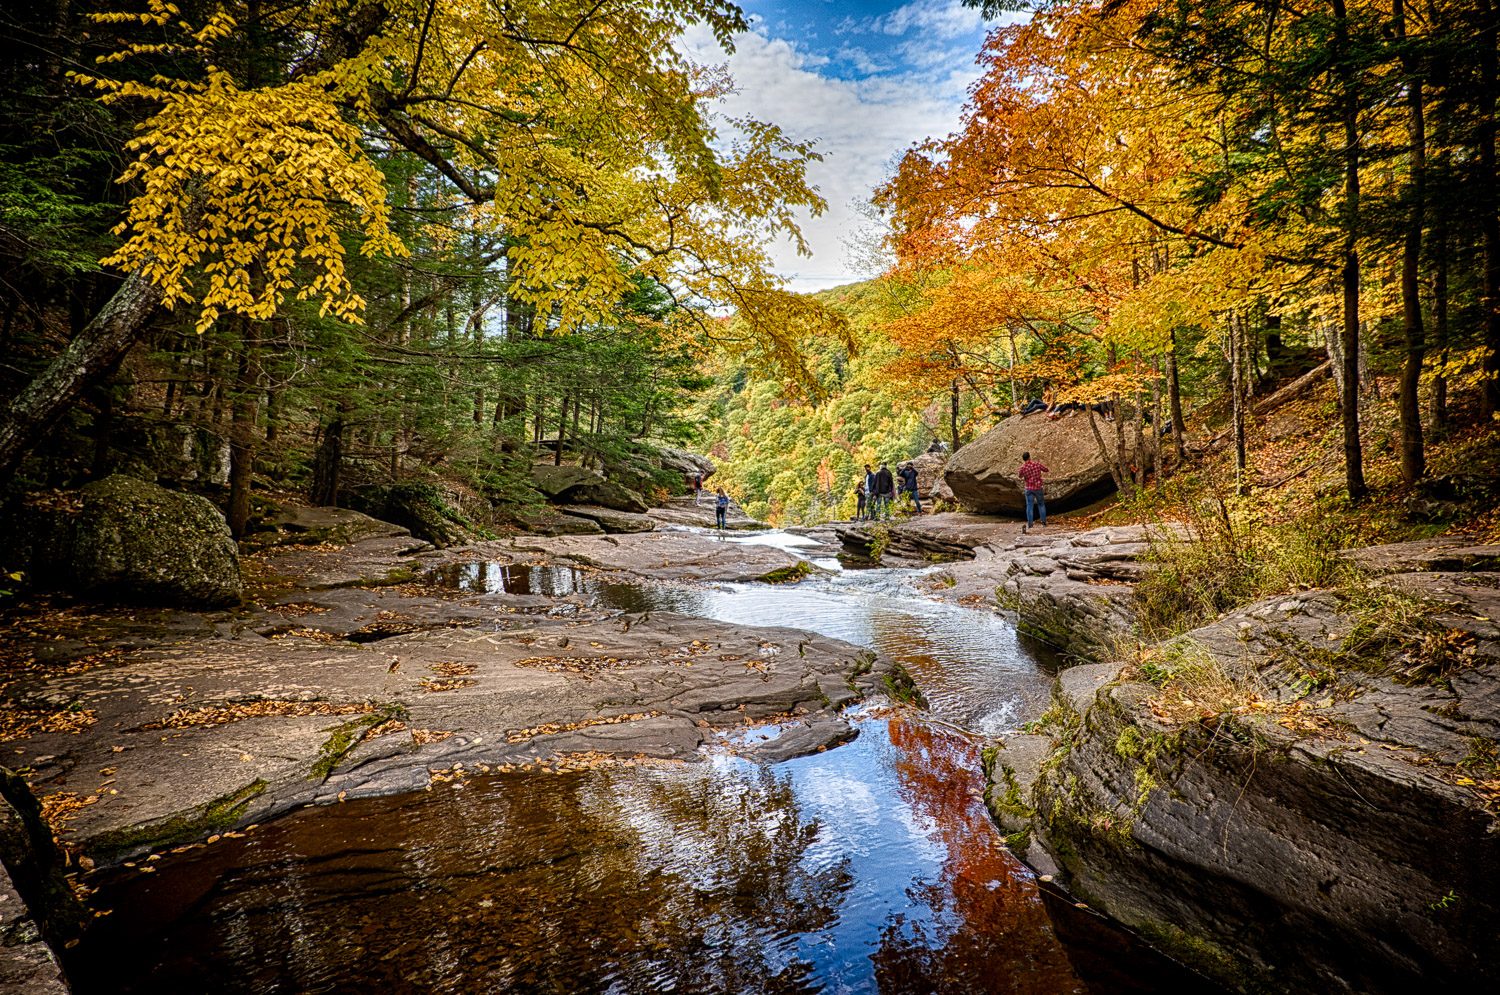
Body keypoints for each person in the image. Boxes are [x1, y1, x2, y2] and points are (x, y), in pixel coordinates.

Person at [1017, 451, 1048, 532]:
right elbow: (1046, 469)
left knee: (1029, 506)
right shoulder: (1037, 464)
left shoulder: (1023, 468)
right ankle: (1044, 522)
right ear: (1029, 457)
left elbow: (1020, 476)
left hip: (1029, 488)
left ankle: (1030, 524)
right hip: (1038, 487)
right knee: (1041, 504)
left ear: (1023, 459)